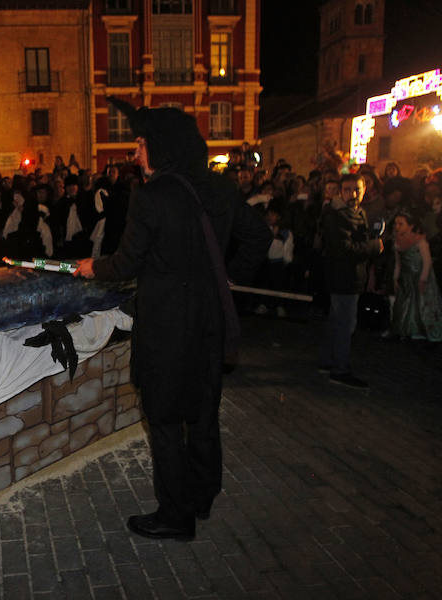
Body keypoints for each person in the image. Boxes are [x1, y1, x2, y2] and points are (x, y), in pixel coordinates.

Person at [75, 100, 270, 540]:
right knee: (202, 412)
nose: (134, 153)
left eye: (141, 143)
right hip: (209, 322)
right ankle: (202, 496)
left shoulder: (153, 196)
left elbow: (126, 264)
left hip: (166, 329)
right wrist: (228, 275)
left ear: (161, 146)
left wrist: (94, 268)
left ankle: (175, 515)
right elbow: (258, 235)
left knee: (163, 420)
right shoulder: (219, 189)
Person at [319, 173, 384, 389]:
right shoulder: (336, 215)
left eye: (357, 189)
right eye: (348, 190)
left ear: (365, 189)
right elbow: (344, 250)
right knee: (345, 324)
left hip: (351, 276)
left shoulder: (357, 212)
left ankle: (330, 362)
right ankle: (340, 369)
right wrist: (375, 246)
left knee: (338, 321)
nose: (353, 194)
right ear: (340, 192)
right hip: (343, 277)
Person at [390, 212, 442, 342]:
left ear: (410, 226)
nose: (397, 227)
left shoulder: (419, 240)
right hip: (407, 277)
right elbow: (398, 262)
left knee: (421, 304)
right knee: (406, 305)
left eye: (401, 224)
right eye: (396, 223)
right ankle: (405, 329)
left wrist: (423, 278)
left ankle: (421, 329)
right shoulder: (397, 242)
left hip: (419, 276)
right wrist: (395, 277)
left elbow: (427, 261)